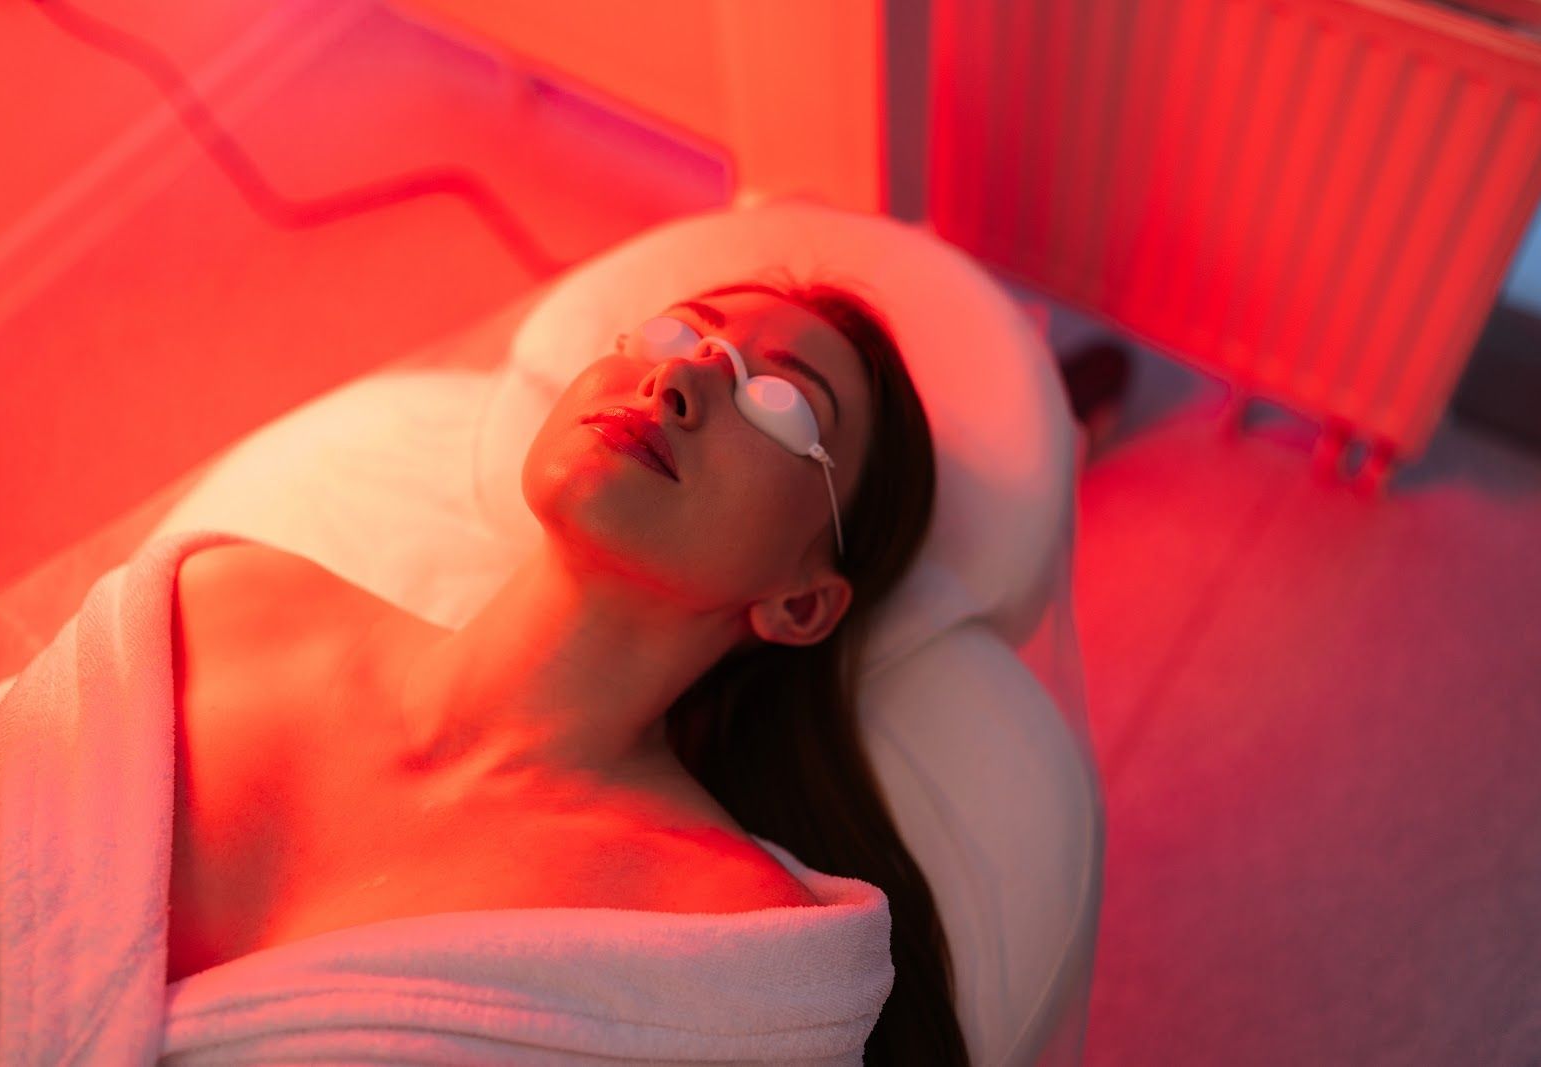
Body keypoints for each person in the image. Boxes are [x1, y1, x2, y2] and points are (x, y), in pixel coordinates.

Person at [165, 278, 969, 1064]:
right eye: (676, 332)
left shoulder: (724, 945)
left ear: (801, 604)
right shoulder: (225, 597)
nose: (681, 375)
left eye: (781, 403)